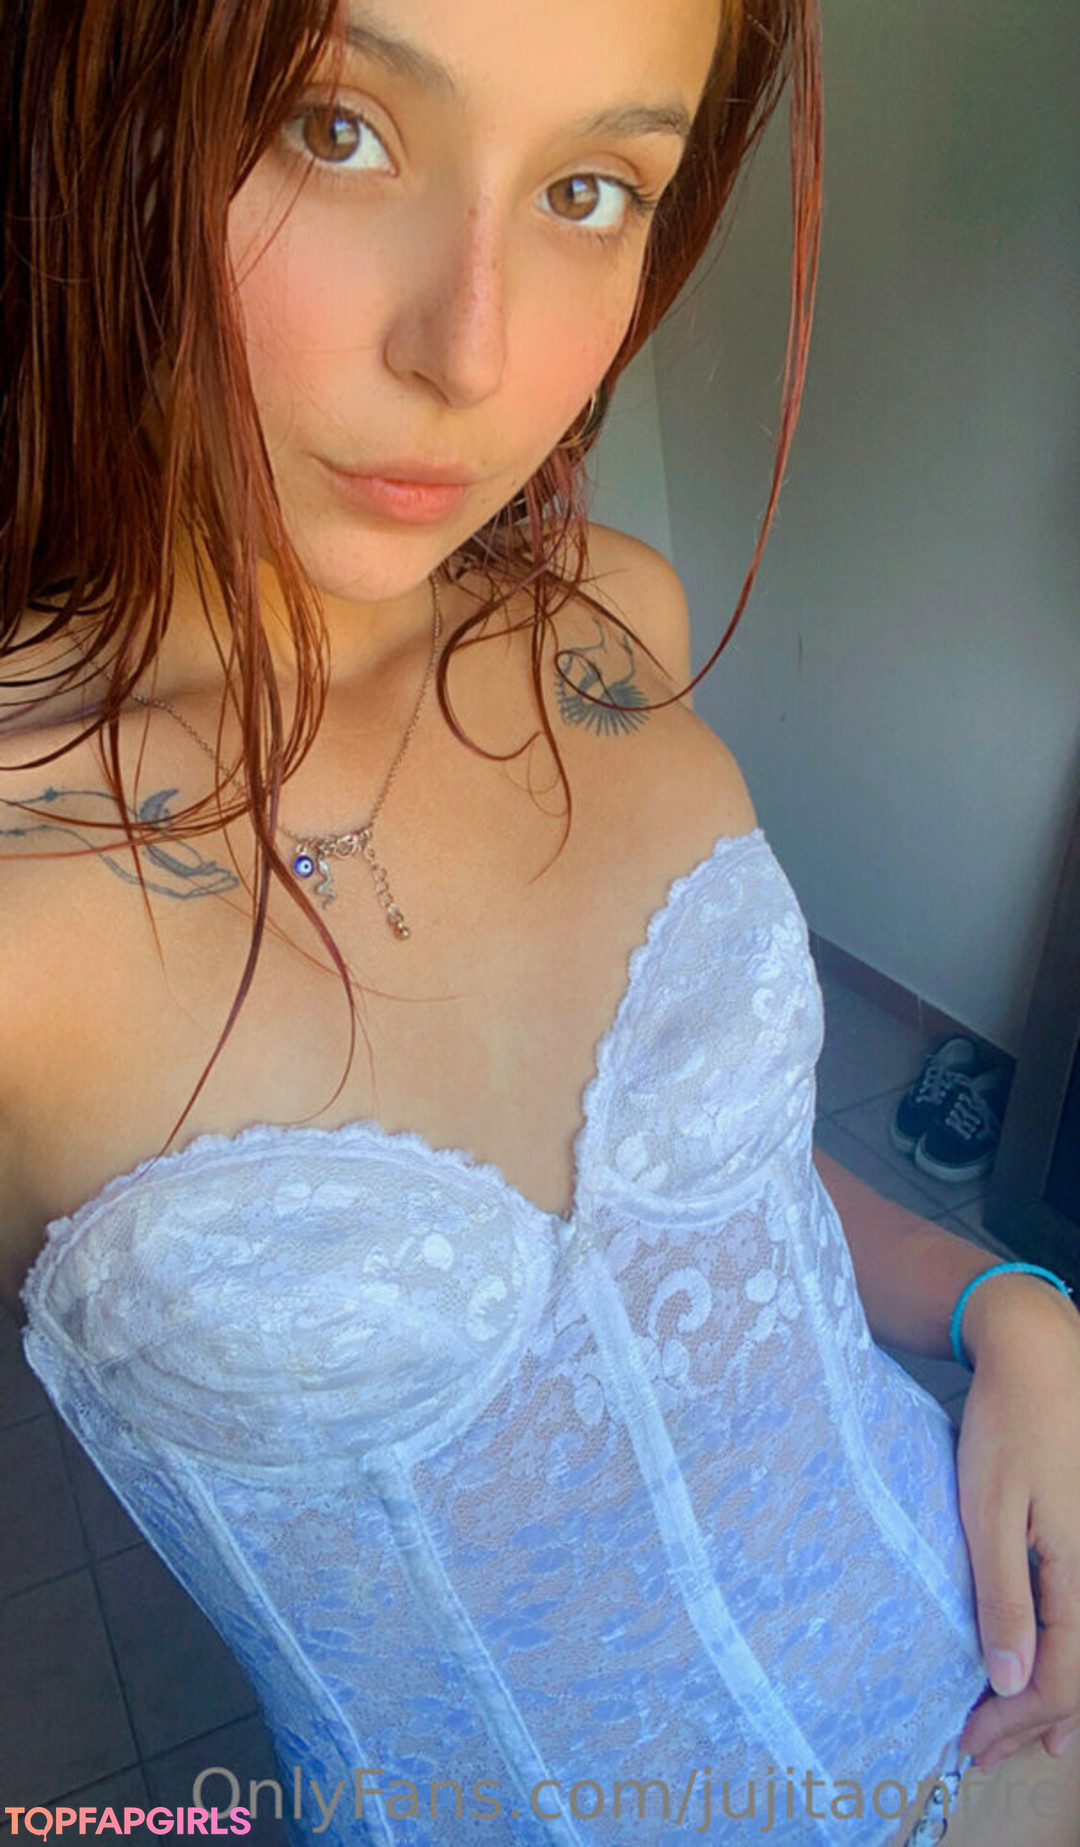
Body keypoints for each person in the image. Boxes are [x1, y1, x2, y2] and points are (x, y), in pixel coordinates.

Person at [1, 1, 1079, 1842]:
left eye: (592, 187)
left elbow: (707, 1205)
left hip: (998, 1704)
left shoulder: (608, 619)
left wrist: (1009, 1306)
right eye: (333, 127)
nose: (473, 355)